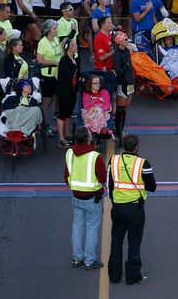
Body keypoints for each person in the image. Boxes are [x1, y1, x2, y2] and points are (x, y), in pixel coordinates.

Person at [108, 133, 157, 285]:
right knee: (134, 242)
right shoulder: (143, 164)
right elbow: (152, 187)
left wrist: (115, 199)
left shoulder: (113, 161)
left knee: (116, 241)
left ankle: (114, 275)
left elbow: (110, 184)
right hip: (135, 208)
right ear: (137, 147)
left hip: (117, 207)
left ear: (124, 145)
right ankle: (132, 276)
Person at [65, 126, 107, 270]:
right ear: (89, 139)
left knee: (77, 227)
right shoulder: (95, 156)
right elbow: (102, 177)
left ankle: (77, 258)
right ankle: (89, 260)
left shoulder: (69, 153)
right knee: (92, 228)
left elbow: (66, 175)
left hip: (76, 195)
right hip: (92, 197)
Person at [37, 19, 62, 135]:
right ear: (48, 31)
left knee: (57, 99)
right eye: (54, 28)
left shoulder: (56, 39)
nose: (56, 30)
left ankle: (57, 124)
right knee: (47, 101)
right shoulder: (43, 42)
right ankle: (44, 125)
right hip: (47, 75)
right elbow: (40, 60)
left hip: (57, 75)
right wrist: (54, 62)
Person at [112, 30, 135, 144]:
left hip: (130, 83)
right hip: (122, 83)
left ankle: (121, 130)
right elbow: (118, 71)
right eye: (125, 40)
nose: (127, 42)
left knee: (125, 109)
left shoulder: (126, 51)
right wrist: (125, 66)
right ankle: (118, 133)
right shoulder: (117, 54)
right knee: (120, 110)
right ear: (119, 42)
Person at [56, 37, 78, 148]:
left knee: (68, 113)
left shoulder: (73, 58)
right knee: (62, 114)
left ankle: (68, 134)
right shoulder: (64, 61)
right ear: (67, 48)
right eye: (73, 45)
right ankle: (61, 138)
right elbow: (67, 77)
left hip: (72, 90)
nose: (76, 46)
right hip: (65, 91)